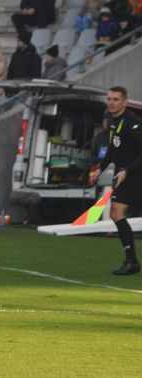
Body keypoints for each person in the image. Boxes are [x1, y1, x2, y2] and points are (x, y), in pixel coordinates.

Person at [88, 87, 142, 275]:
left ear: (124, 102)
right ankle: (131, 261)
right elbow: (112, 149)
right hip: (122, 173)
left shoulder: (132, 124)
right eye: (109, 99)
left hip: (134, 173)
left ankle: (132, 262)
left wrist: (127, 170)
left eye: (116, 99)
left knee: (117, 212)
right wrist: (100, 168)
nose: (111, 102)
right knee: (117, 213)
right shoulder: (112, 121)